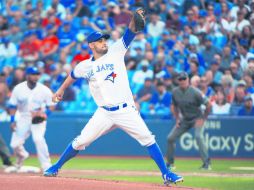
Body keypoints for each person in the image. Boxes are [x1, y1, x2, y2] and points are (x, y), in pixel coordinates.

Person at [44, 9, 183, 185]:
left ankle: (166, 173)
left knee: (148, 139)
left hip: (126, 110)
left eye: (104, 39)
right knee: (81, 141)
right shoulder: (85, 66)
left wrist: (134, 18)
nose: (104, 42)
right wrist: (61, 90)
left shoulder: (116, 51)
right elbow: (72, 75)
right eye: (100, 40)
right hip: (104, 113)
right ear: (91, 45)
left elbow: (131, 31)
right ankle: (56, 166)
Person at [8, 67, 55, 171]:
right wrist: (12, 120)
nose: (35, 76)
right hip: (23, 117)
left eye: (37, 74)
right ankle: (22, 155)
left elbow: (52, 104)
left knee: (38, 139)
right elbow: (12, 106)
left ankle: (46, 165)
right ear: (27, 75)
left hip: (38, 118)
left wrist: (45, 114)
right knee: (14, 144)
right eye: (33, 74)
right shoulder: (18, 88)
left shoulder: (44, 89)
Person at [166, 72, 212, 170]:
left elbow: (209, 104)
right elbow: (174, 106)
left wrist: (203, 118)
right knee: (170, 138)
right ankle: (170, 163)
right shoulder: (175, 92)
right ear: (178, 81)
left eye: (184, 79)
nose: (182, 81)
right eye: (180, 79)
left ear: (188, 80)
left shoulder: (195, 92)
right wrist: (177, 118)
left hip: (197, 118)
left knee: (199, 136)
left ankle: (207, 163)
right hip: (185, 119)